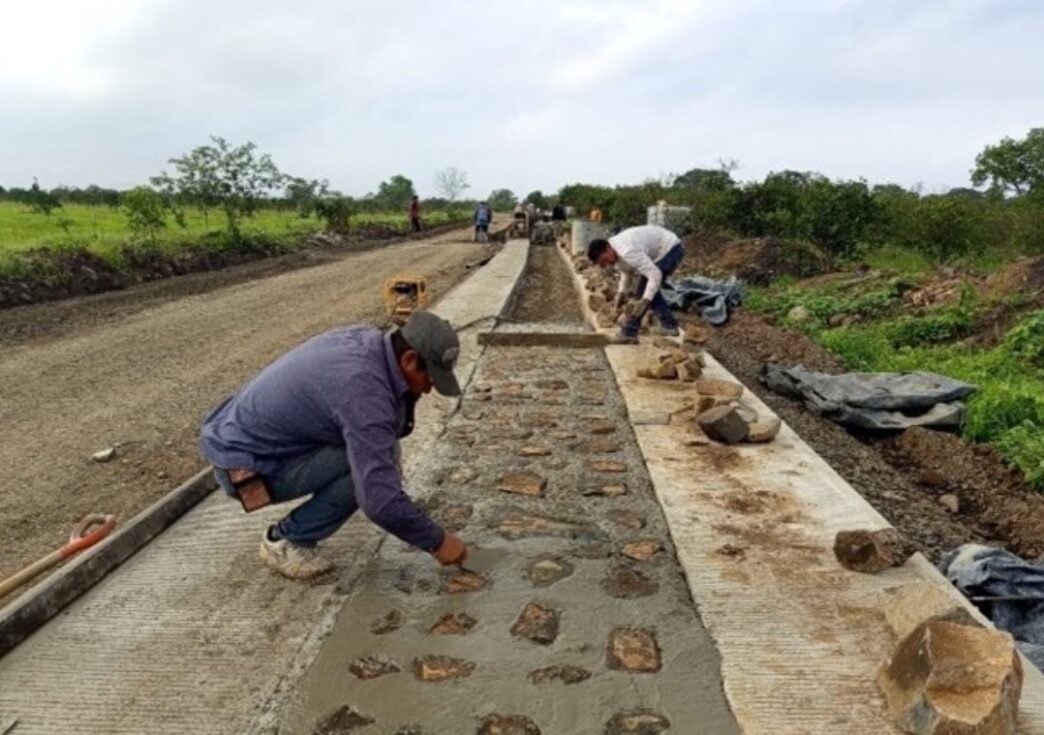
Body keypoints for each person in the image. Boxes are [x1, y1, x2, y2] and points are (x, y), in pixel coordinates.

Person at [199, 311, 468, 580]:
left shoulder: (369, 343)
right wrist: (437, 542)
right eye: (429, 379)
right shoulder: (363, 390)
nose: (429, 390)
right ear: (409, 360)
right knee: (364, 475)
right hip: (244, 471)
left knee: (378, 454)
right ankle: (285, 542)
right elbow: (377, 500)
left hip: (240, 441)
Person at [587, 224, 686, 344]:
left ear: (608, 248)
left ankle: (629, 333)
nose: (607, 264)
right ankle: (669, 325)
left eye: (605, 260)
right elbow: (626, 272)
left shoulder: (627, 251)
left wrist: (645, 300)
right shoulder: (615, 253)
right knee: (647, 291)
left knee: (645, 291)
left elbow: (655, 275)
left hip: (671, 249)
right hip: (660, 250)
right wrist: (621, 293)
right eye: (602, 263)